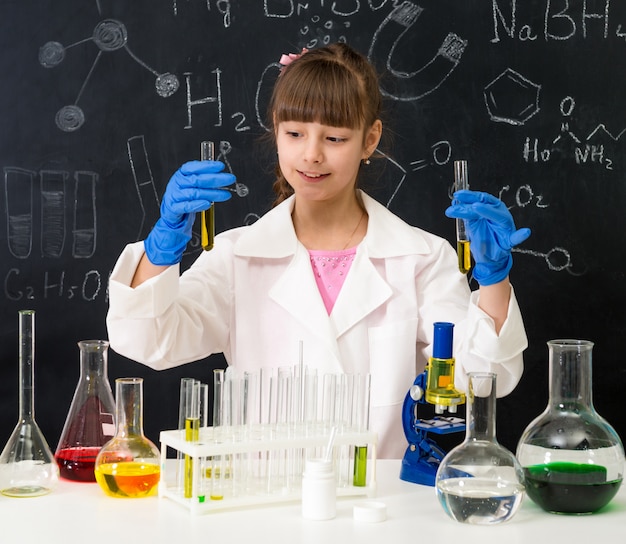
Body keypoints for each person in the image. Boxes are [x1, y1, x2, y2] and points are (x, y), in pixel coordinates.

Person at [106, 43, 531, 459]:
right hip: (266, 501)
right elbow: (149, 343)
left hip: (380, 506)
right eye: (294, 133)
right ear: (275, 128)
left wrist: (494, 279)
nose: (311, 154)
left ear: (370, 140)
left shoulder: (421, 258)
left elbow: (484, 380)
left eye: (334, 137)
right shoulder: (238, 256)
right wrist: (161, 251)